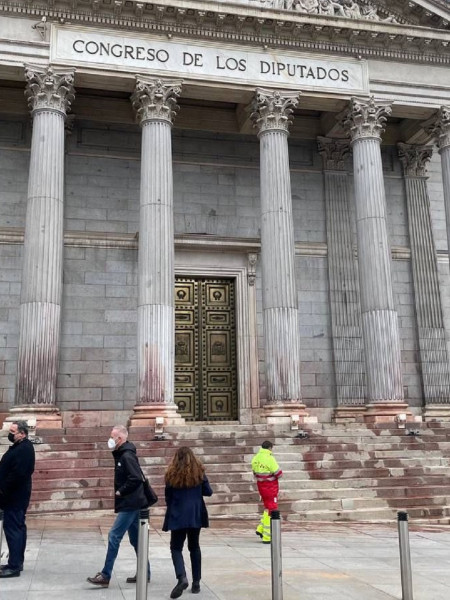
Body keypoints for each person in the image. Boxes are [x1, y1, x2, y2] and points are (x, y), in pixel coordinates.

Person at [87, 424, 150, 588]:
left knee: (114, 536)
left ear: (120, 439)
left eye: (112, 436)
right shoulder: (123, 454)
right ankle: (146, 572)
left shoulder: (126, 456)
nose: (110, 439)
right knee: (137, 540)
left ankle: (106, 574)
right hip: (133, 502)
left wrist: (121, 491)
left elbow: (135, 478)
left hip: (130, 503)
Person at [163, 446, 213, 599]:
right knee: (194, 546)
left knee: (176, 547)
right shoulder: (199, 473)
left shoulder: (171, 474)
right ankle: (196, 582)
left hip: (178, 513)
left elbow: (168, 496)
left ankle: (182, 577)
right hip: (195, 514)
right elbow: (208, 491)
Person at [0, 420, 35, 578]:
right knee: (17, 529)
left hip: (15, 497)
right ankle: (15, 562)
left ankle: (14, 566)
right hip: (14, 496)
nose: (10, 433)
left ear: (22, 434)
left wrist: (2, 489)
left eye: (13, 431)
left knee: (14, 529)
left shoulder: (24, 449)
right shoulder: (21, 447)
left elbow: (18, 475)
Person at [251, 440, 283, 544]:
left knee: (267, 507)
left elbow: (254, 472)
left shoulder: (255, 458)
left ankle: (260, 528)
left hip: (261, 486)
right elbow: (278, 473)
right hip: (271, 487)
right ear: (270, 448)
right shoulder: (269, 458)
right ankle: (267, 536)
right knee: (272, 508)